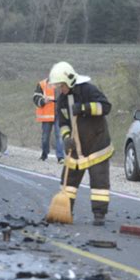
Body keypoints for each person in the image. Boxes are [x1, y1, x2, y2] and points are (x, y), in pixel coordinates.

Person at [48, 61, 113, 226]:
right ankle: (65, 211)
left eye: (61, 86)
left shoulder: (88, 89)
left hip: (97, 144)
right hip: (76, 145)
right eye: (57, 86)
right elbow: (62, 122)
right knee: (68, 181)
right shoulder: (62, 99)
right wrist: (66, 138)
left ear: (69, 81)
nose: (59, 89)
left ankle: (99, 215)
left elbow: (105, 107)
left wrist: (84, 108)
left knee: (99, 182)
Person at [33, 78, 64, 163]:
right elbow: (35, 98)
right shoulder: (42, 84)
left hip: (59, 114)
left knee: (60, 136)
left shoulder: (62, 83)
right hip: (47, 116)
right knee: (45, 137)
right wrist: (43, 101)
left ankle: (61, 157)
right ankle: (44, 154)